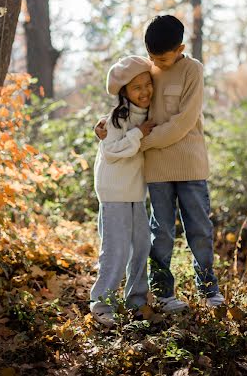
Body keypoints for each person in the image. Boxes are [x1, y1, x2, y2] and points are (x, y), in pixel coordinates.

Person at [96, 15, 224, 312]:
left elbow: (183, 122)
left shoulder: (193, 70)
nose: (156, 62)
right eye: (151, 56)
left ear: (180, 48)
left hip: (190, 165)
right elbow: (127, 106)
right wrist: (103, 126)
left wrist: (141, 142)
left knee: (200, 230)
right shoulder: (148, 69)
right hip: (156, 169)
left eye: (162, 58)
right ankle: (164, 293)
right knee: (162, 232)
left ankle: (208, 290)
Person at [90, 55, 155, 327]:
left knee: (141, 245)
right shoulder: (117, 118)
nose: (144, 92)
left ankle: (137, 301)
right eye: (136, 87)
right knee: (116, 249)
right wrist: (138, 133)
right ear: (125, 92)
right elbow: (111, 151)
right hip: (114, 189)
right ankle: (101, 303)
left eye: (147, 84)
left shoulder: (151, 112)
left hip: (135, 191)